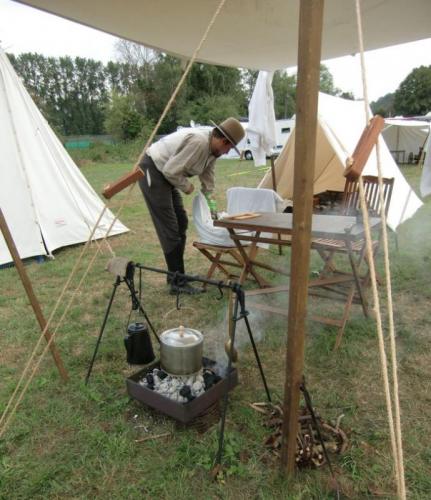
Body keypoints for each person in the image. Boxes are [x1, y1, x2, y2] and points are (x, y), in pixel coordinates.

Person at [138, 117, 245, 294]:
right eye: (229, 148)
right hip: (153, 171)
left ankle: (177, 275)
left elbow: (208, 182)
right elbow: (170, 171)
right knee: (170, 229)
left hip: (166, 175)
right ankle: (177, 282)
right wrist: (187, 187)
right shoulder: (199, 143)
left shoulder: (213, 151)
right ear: (224, 141)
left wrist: (212, 208)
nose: (227, 153)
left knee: (181, 222)